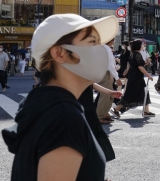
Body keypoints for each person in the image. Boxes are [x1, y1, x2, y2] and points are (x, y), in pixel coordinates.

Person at [2, 13, 119, 180]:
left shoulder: (46, 106)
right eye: (92, 42)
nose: (101, 50)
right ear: (59, 53)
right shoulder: (64, 118)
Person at [112, 39, 155, 118]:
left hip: (134, 77)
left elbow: (134, 64)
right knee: (131, 94)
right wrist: (148, 75)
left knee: (143, 93)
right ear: (138, 46)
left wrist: (128, 69)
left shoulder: (133, 54)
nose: (143, 46)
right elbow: (140, 67)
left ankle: (146, 111)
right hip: (136, 78)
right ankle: (116, 109)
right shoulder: (137, 54)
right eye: (142, 44)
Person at [96, 38, 122, 124]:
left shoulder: (100, 48)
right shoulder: (107, 49)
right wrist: (117, 78)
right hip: (106, 73)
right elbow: (110, 65)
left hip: (103, 72)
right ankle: (100, 116)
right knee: (105, 95)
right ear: (111, 41)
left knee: (109, 95)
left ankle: (105, 114)